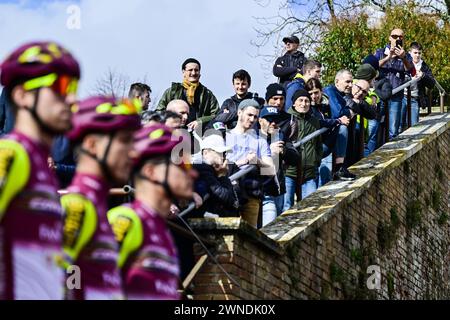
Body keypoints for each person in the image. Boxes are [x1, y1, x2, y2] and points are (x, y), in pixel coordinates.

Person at [0, 41, 80, 299]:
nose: (70, 98)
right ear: (22, 95)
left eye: (72, 87)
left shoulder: (40, 168)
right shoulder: (9, 157)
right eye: (58, 87)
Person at [61, 96, 141, 300]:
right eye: (124, 141)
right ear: (92, 144)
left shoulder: (97, 207)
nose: (133, 152)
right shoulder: (76, 206)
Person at [108, 124, 197, 300]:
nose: (192, 173)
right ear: (151, 172)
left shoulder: (160, 229)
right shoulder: (126, 219)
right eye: (181, 165)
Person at [226, 99, 275, 228]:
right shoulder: (225, 136)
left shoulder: (261, 141)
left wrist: (257, 161)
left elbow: (271, 171)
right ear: (239, 112)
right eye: (249, 115)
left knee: (250, 238)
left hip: (252, 193)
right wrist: (242, 162)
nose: (252, 119)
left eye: (255, 116)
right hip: (229, 191)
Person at [258, 106, 299, 226]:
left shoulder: (280, 135)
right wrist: (269, 152)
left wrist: (284, 151)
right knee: (269, 229)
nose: (273, 123)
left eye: (276, 120)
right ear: (260, 120)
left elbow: (296, 158)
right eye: (269, 120)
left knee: (276, 226)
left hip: (278, 190)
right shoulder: (253, 136)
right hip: (261, 191)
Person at [305, 78, 350, 186]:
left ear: (321, 91)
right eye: (310, 94)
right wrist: (338, 120)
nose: (314, 97)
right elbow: (318, 122)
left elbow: (335, 116)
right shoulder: (306, 106)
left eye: (316, 93)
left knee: (342, 128)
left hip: (326, 144)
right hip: (312, 148)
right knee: (316, 181)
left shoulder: (326, 105)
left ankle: (340, 167)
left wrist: (340, 120)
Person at [284, 89, 322, 211]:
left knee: (311, 207)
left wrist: (316, 161)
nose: (304, 104)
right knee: (287, 206)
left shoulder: (314, 121)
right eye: (300, 100)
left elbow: (318, 144)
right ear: (294, 103)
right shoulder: (286, 119)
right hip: (289, 171)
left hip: (309, 172)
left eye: (306, 101)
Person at [156, 58, 219, 130]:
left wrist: (200, 121)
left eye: (196, 70)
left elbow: (217, 115)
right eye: (190, 70)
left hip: (199, 135)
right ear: (183, 72)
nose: (193, 73)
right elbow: (159, 112)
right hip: (175, 133)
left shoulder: (207, 94)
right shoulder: (171, 92)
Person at [374, 28, 415, 138]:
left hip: (396, 95)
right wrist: (388, 57)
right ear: (389, 38)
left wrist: (403, 58)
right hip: (379, 95)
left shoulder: (406, 55)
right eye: (394, 36)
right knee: (373, 129)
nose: (397, 39)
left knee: (393, 131)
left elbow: (410, 70)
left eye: (400, 37)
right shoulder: (380, 52)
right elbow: (372, 66)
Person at [193, 134, 239, 217]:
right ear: (205, 152)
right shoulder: (202, 168)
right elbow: (226, 198)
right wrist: (222, 175)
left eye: (224, 153)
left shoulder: (208, 169)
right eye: (219, 152)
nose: (223, 157)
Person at [401, 42, 435, 129]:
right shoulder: (404, 62)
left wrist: (423, 75)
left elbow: (432, 84)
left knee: (414, 126)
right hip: (401, 97)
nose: (417, 55)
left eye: (419, 53)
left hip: (415, 99)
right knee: (399, 126)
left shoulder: (424, 66)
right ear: (410, 52)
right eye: (415, 53)